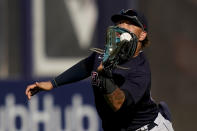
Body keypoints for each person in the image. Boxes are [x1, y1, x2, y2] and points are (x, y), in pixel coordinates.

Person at [26, 9, 174, 131]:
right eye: (120, 22)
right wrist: (53, 83)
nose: (122, 26)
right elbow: (85, 66)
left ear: (142, 34)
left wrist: (104, 77)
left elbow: (118, 104)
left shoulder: (140, 70)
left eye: (129, 23)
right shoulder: (103, 54)